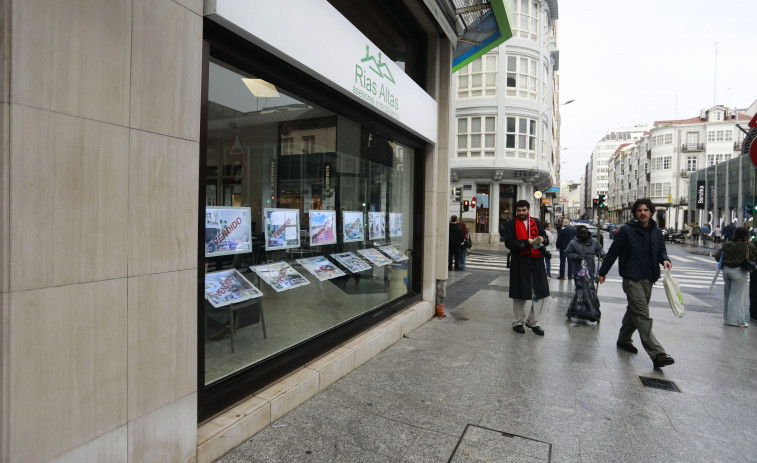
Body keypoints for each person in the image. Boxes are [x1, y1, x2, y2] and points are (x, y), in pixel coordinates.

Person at [598, 198, 675, 369]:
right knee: (642, 313)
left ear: (651, 212)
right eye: (639, 210)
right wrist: (602, 272)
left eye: (646, 210)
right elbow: (613, 252)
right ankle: (657, 353)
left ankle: (624, 339)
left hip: (649, 277)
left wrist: (665, 260)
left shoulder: (656, 231)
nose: (642, 213)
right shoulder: (626, 230)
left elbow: (661, 249)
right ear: (635, 213)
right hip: (631, 277)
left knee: (634, 310)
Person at [503, 200, 550, 336]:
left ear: (528, 210)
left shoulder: (536, 222)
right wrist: (526, 243)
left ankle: (532, 322)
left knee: (539, 292)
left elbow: (545, 238)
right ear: (516, 211)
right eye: (519, 210)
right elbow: (509, 243)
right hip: (519, 262)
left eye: (524, 210)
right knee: (519, 293)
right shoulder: (510, 225)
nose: (521, 213)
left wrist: (541, 239)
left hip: (536, 261)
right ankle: (518, 321)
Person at [713, 227, 757, 327]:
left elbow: (717, 257)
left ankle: (727, 317)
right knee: (737, 297)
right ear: (746, 235)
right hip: (739, 271)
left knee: (728, 295)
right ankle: (735, 321)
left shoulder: (728, 244)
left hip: (726, 271)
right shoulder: (748, 246)